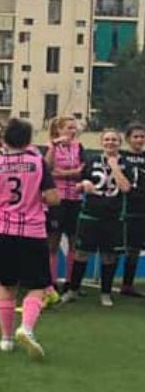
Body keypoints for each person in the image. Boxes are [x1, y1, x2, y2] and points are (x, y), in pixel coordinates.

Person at [0, 119, 59, 359]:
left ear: (4, 139)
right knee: (37, 286)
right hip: (32, 232)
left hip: (2, 232)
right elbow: (53, 198)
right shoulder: (37, 163)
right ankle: (26, 328)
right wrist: (36, 197)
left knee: (6, 286)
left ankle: (5, 339)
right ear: (29, 140)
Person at [62, 129, 131, 306]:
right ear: (101, 142)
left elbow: (125, 188)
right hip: (90, 215)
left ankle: (106, 293)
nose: (110, 143)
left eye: (114, 140)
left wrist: (114, 166)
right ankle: (73, 290)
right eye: (107, 139)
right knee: (81, 253)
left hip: (114, 216)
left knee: (109, 256)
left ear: (120, 143)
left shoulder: (126, 163)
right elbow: (78, 185)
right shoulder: (92, 160)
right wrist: (83, 184)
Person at [44, 116, 85, 292]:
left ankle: (70, 282)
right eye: (69, 128)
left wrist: (62, 173)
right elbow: (47, 170)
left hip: (75, 198)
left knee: (74, 241)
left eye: (74, 128)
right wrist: (53, 147)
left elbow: (83, 171)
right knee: (53, 241)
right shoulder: (51, 146)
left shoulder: (79, 147)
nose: (72, 131)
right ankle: (51, 282)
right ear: (59, 130)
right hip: (57, 199)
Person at [120, 122, 145, 297]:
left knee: (135, 247)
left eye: (142, 136)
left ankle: (128, 285)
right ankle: (124, 284)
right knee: (129, 248)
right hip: (127, 206)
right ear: (128, 139)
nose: (139, 140)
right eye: (136, 136)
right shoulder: (121, 157)